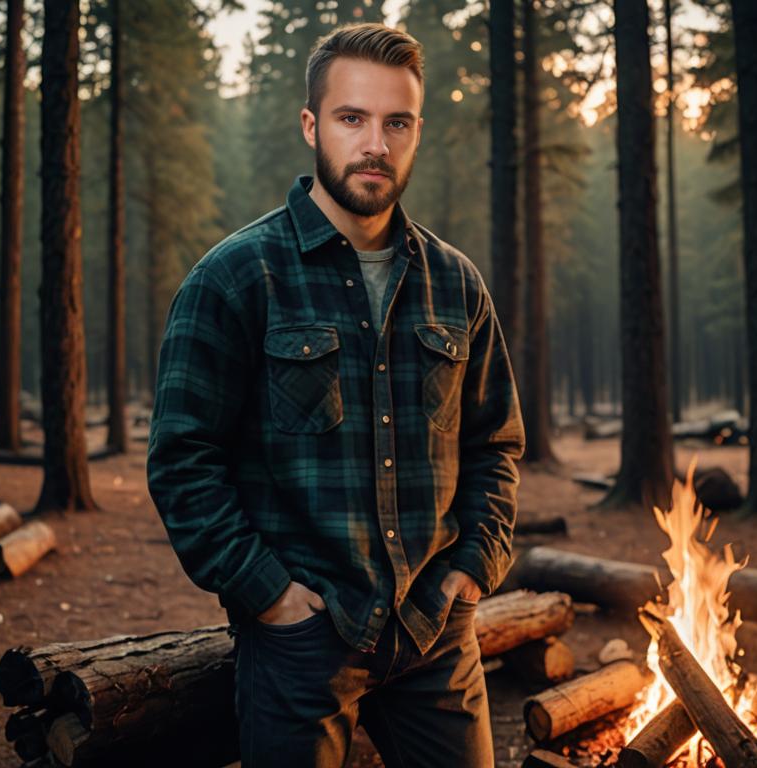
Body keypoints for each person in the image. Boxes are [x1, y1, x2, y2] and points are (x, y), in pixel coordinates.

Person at [147, 22, 524, 768]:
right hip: (302, 645)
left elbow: (495, 445)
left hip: (434, 634)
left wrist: (471, 570)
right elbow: (183, 462)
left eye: (397, 122)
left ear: (417, 131)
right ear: (312, 125)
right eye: (353, 119)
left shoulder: (456, 284)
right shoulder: (235, 278)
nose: (375, 143)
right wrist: (270, 599)